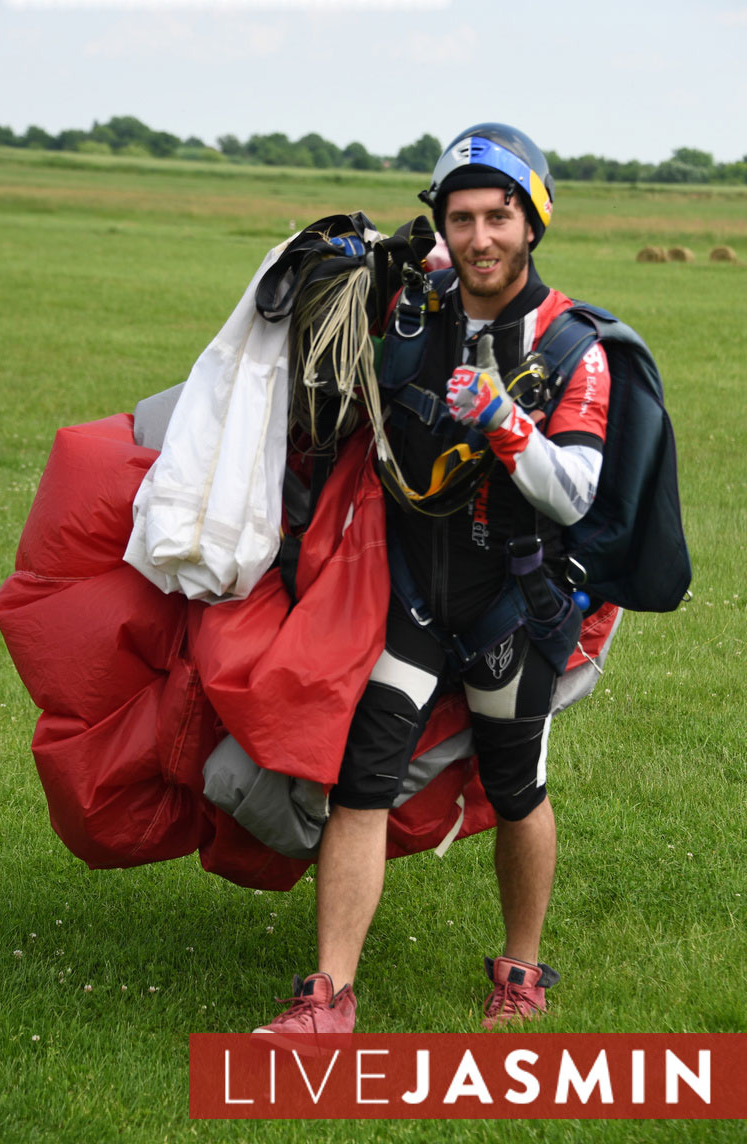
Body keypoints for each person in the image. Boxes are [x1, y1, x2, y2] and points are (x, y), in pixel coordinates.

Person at [253, 123, 611, 1036]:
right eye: (462, 219)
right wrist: (345, 263)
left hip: (509, 607)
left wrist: (504, 421)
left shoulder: (574, 346)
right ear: (443, 225)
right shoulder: (413, 307)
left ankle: (521, 972)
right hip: (411, 594)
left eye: (499, 217)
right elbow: (296, 339)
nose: (480, 237)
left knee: (517, 783)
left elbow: (573, 493)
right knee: (361, 784)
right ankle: (329, 997)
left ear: (532, 224)